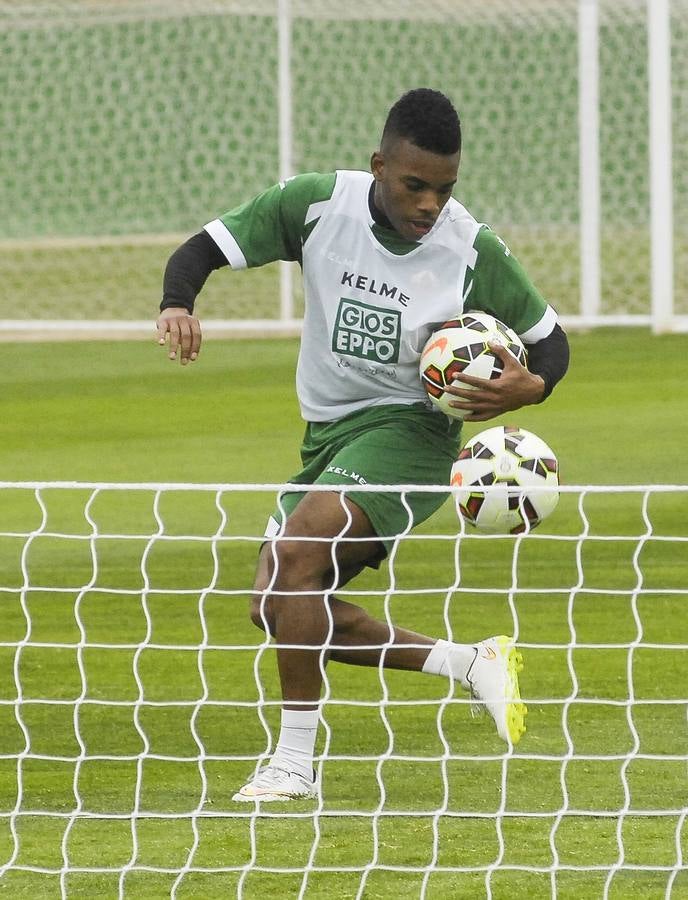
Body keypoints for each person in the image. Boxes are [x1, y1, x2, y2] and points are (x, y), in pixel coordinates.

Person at [157, 88, 569, 802]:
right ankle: (471, 663)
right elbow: (203, 248)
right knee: (278, 606)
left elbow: (551, 343)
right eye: (416, 185)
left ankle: (293, 761)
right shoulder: (318, 207)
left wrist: (530, 390)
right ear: (379, 165)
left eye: (444, 190)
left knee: (302, 551)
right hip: (327, 436)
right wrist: (176, 304)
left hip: (410, 434)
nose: (430, 204)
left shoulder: (470, 247)